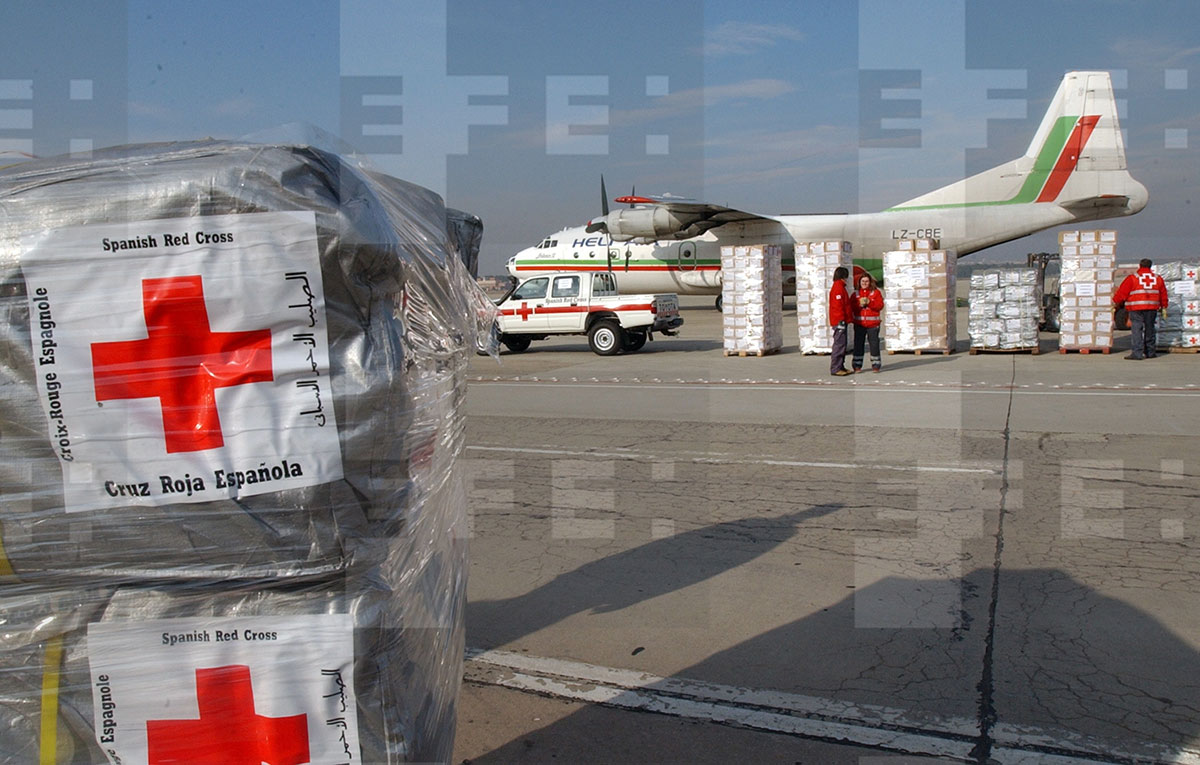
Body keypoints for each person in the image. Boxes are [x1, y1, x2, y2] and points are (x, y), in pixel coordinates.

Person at [1113, 257, 1168, 360]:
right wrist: (1164, 305)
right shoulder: (1158, 278)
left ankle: (1137, 353)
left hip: (1136, 308)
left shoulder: (1133, 278)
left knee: (1137, 329)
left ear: (1140, 266)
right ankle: (1150, 352)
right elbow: (1163, 293)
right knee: (1150, 329)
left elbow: (1122, 293)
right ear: (1150, 266)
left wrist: (1115, 302)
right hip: (1152, 308)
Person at [851, 273, 884, 372]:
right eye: (863, 281)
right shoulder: (855, 294)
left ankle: (876, 364)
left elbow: (880, 306)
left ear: (870, 282)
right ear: (859, 283)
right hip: (860, 323)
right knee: (858, 344)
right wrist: (859, 305)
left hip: (873, 324)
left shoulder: (876, 293)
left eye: (866, 281)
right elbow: (851, 307)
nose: (864, 283)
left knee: (874, 345)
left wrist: (870, 302)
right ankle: (857, 365)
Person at [829, 266, 852, 375]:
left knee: (842, 344)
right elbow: (838, 306)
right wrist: (841, 320)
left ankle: (841, 366)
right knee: (839, 344)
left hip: (842, 321)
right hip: (839, 321)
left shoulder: (841, 287)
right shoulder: (838, 287)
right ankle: (836, 368)